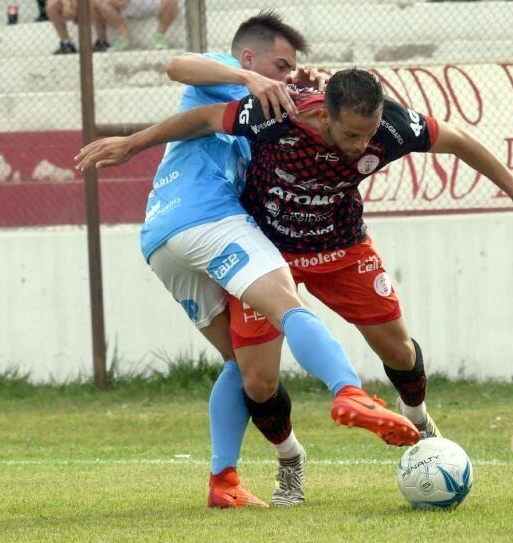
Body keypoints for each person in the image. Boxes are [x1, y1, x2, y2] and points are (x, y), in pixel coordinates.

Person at [74, 68, 513, 486]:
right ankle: (290, 461)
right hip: (267, 251)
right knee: (259, 379)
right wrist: (133, 144)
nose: (362, 145)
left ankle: (420, 425)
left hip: (341, 246)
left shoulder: (393, 127)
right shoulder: (278, 114)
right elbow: (204, 119)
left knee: (398, 351)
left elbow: (460, 141)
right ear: (324, 114)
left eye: (369, 132)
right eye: (351, 134)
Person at [76, 14, 419, 509]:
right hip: (208, 219)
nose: (287, 75)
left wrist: (300, 90)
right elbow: (177, 64)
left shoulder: (267, 111)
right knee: (286, 304)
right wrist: (247, 77)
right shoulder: (227, 73)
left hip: (162, 240)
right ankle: (349, 389)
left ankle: (224, 480)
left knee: (243, 362)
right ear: (250, 57)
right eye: (281, 64)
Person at [92, 0, 178, 51]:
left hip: (153, 2)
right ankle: (124, 36)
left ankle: (159, 36)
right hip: (128, 3)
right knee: (96, 2)